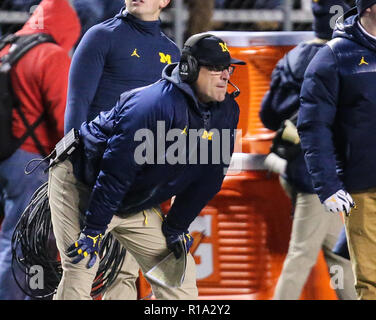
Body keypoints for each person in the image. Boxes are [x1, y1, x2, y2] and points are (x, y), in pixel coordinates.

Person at [48, 33, 243, 300]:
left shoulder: (227, 111)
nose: (225, 75)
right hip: (82, 180)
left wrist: (176, 226)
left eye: (227, 68)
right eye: (216, 68)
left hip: (130, 195)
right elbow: (115, 173)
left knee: (178, 277)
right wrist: (94, 230)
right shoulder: (151, 105)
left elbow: (209, 178)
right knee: (81, 265)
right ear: (189, 69)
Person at [64, 0, 181, 300]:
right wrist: (80, 172)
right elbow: (76, 109)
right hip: (91, 174)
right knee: (80, 266)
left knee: (124, 275)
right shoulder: (101, 36)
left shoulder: (174, 54)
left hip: (135, 182)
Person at [260, 0, 356, 300]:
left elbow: (268, 115)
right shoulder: (349, 59)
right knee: (301, 254)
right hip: (320, 174)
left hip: (294, 167)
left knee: (338, 252)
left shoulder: (294, 57)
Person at [0, 0, 80, 300]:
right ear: (68, 27)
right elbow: (65, 122)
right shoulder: (51, 55)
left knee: (16, 237)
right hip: (32, 164)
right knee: (24, 241)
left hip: (8, 157)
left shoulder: (7, 50)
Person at [298, 0, 376, 300]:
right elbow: (314, 126)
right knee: (372, 282)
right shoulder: (334, 57)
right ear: (368, 7)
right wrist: (328, 184)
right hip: (365, 187)